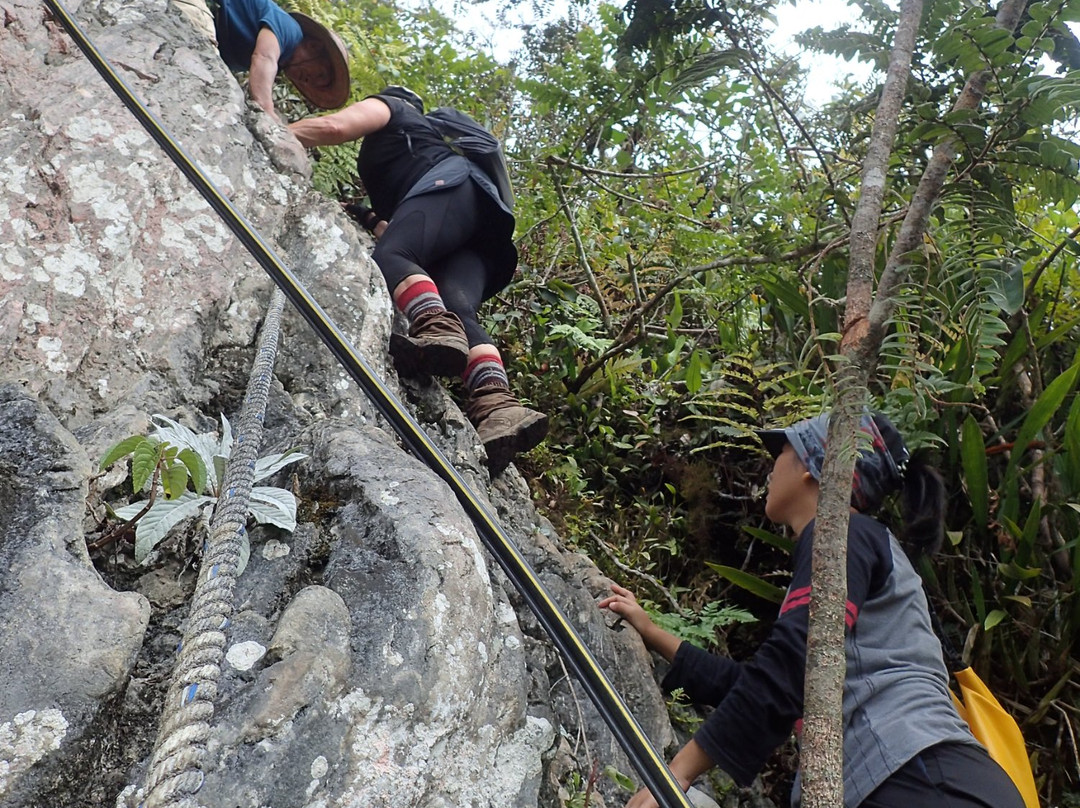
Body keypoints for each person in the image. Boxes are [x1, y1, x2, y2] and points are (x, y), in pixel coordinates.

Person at [599, 411, 1027, 808]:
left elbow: (792, 662)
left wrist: (677, 772)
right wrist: (653, 633)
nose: (771, 468)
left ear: (812, 466)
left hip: (924, 781)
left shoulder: (847, 537)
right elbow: (769, 684)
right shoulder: (861, 547)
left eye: (782, 451)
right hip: (930, 782)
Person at [289, 86, 548, 474]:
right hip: (485, 226)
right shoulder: (419, 148)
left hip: (453, 189)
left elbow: (334, 127)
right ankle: (498, 405)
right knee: (459, 308)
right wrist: (364, 215)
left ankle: (434, 327)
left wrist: (272, 131)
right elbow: (410, 228)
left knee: (391, 257)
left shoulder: (394, 109)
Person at [175, 0, 350, 122]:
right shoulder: (291, 30)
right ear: (314, 46)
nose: (307, 80)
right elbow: (265, 57)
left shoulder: (278, 59)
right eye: (319, 74)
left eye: (312, 84)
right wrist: (267, 111)